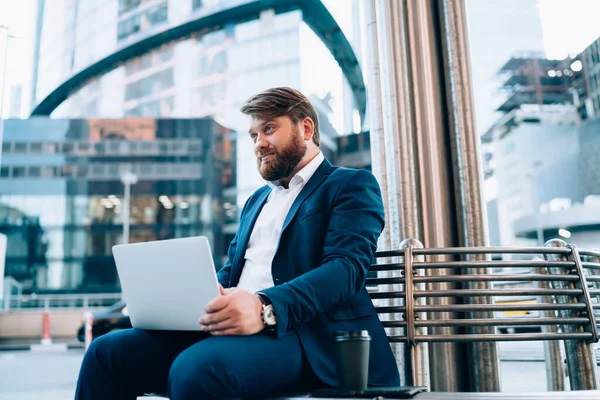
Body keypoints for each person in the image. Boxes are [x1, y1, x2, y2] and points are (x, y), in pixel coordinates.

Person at [74, 87, 399, 400]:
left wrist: (265, 307)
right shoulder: (257, 201)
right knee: (105, 354)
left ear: (306, 128)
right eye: (253, 136)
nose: (259, 143)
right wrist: (193, 297)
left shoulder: (349, 185)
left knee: (198, 370)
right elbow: (233, 273)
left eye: (269, 129)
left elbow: (345, 270)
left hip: (305, 335)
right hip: (231, 330)